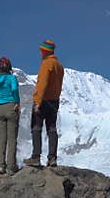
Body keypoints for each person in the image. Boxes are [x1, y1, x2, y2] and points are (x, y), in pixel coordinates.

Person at [24, 39, 64, 167]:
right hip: (54, 101)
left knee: (36, 127)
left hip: (44, 100)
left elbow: (43, 84)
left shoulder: (47, 64)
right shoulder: (59, 66)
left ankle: (36, 157)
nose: (40, 53)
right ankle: (52, 158)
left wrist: (37, 102)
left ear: (45, 51)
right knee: (52, 128)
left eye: (41, 51)